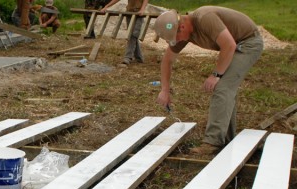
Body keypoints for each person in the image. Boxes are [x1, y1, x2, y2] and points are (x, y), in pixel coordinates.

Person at [153, 7, 264, 155]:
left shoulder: (205, 18)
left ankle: (212, 143)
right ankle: (226, 138)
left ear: (182, 26)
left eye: (176, 38)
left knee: (222, 87)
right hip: (234, 44)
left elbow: (229, 45)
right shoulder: (180, 32)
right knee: (226, 89)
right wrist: (165, 90)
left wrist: (216, 74)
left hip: (248, 42)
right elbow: (167, 61)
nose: (177, 42)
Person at [101, 0, 148, 66]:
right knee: (132, 35)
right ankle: (139, 58)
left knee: (134, 34)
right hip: (129, 12)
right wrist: (106, 6)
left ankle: (128, 57)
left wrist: (142, 9)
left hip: (139, 13)